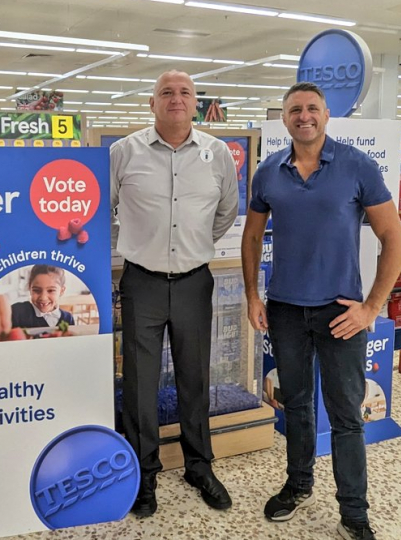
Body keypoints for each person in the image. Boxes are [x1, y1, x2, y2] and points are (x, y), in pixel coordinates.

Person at [241, 81, 401, 540]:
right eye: (295, 109)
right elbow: (252, 237)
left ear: (327, 114)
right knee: (294, 405)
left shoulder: (356, 165)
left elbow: (395, 238)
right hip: (286, 311)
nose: (304, 116)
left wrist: (372, 306)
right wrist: (255, 296)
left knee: (346, 416)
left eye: (312, 108)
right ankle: (298, 485)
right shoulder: (269, 172)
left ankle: (354, 511)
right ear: (284, 117)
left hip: (341, 313)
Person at [110, 69, 239, 517]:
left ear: (196, 104)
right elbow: (103, 209)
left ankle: (199, 466)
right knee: (141, 384)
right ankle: (142, 476)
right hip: (142, 280)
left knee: (194, 379)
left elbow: (227, 211)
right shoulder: (122, 152)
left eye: (185, 92)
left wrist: (195, 245)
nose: (177, 99)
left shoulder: (217, 153)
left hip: (193, 281)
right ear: (152, 103)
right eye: (167, 92)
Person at [0, 265, 75, 335]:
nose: (43, 297)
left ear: (62, 291)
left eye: (51, 290)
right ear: (29, 288)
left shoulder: (68, 318)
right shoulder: (16, 311)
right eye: (36, 290)